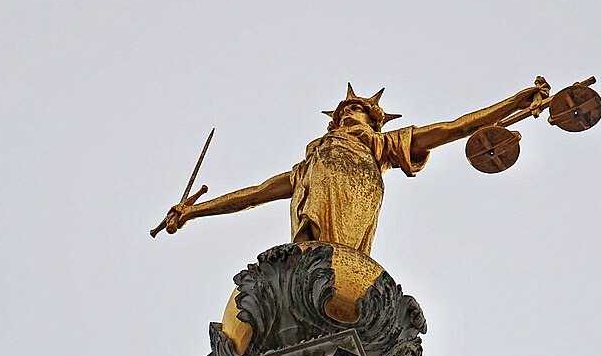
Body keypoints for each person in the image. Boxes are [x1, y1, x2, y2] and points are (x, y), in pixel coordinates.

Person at [163, 79, 549, 255]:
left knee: (339, 262)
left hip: (358, 197)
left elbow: (455, 128)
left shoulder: (384, 145)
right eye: (345, 110)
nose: (349, 113)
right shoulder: (310, 160)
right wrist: (194, 211)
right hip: (314, 203)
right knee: (310, 259)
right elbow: (257, 194)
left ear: (374, 120)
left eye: (358, 110)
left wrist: (515, 102)